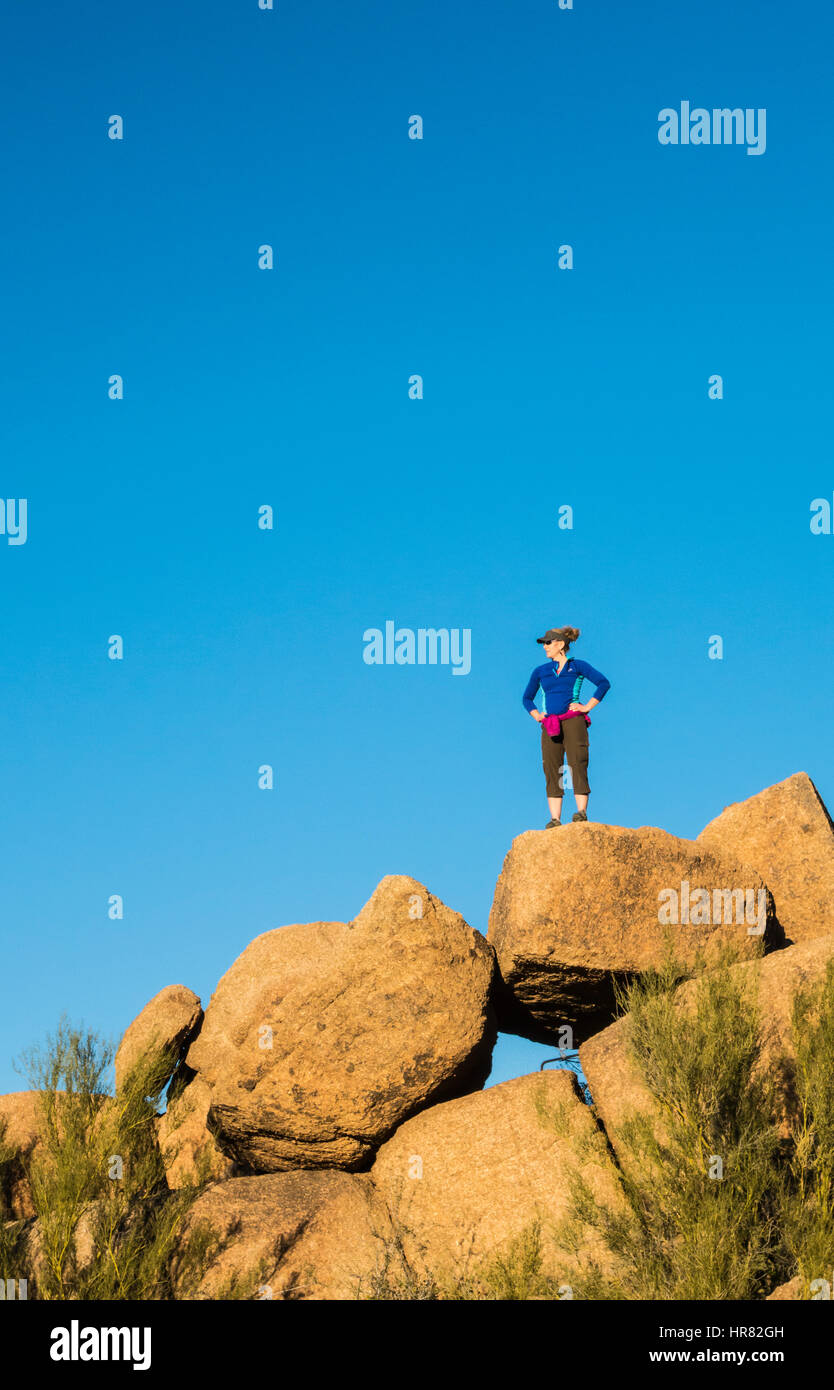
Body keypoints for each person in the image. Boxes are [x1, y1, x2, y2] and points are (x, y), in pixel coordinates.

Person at [522, 626, 611, 828]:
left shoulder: (577, 666)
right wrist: (538, 716)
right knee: (552, 768)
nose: (545, 647)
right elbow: (527, 698)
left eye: (548, 642)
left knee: (577, 762)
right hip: (550, 724)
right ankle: (555, 819)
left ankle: (581, 812)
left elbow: (603, 683)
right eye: (544, 643)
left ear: (560, 644)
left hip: (573, 720)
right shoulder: (541, 671)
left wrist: (587, 707)